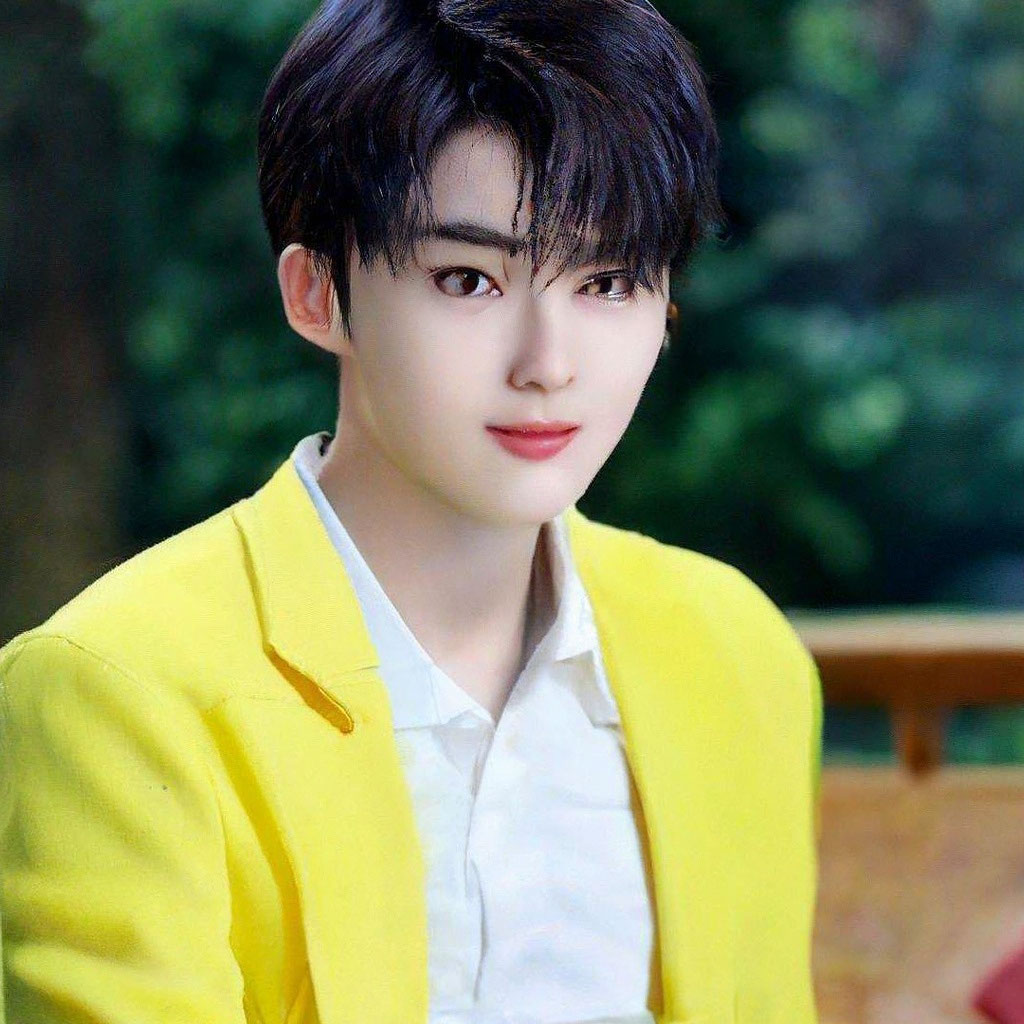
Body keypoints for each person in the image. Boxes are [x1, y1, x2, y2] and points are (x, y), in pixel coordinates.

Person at [0, 1, 824, 1022]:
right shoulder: (113, 692)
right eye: (468, 279)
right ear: (316, 294)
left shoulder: (737, 651)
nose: (548, 364)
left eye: (608, 281)